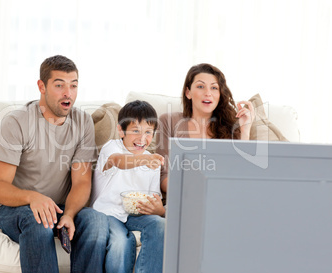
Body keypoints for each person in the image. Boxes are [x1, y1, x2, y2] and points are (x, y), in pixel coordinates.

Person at [0, 55, 109, 273]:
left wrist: (70, 214)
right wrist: (32, 197)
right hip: (15, 208)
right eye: (59, 85)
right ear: (41, 86)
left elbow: (81, 182)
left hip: (59, 208)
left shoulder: (82, 122)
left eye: (73, 86)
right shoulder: (16, 122)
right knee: (39, 222)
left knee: (96, 223)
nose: (68, 93)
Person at [90, 100, 166, 273]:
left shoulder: (151, 161)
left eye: (148, 132)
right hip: (108, 213)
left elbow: (153, 198)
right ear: (121, 130)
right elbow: (118, 161)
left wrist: (159, 210)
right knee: (120, 242)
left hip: (135, 214)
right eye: (135, 131)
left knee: (161, 225)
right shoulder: (112, 148)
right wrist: (145, 160)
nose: (142, 138)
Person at [156, 63, 255, 191]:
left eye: (214, 88)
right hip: (185, 197)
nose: (208, 93)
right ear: (188, 92)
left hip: (223, 197)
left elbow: (243, 174)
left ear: (220, 95)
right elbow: (163, 176)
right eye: (200, 86)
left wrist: (245, 130)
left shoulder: (231, 126)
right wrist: (192, 190)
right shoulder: (168, 121)